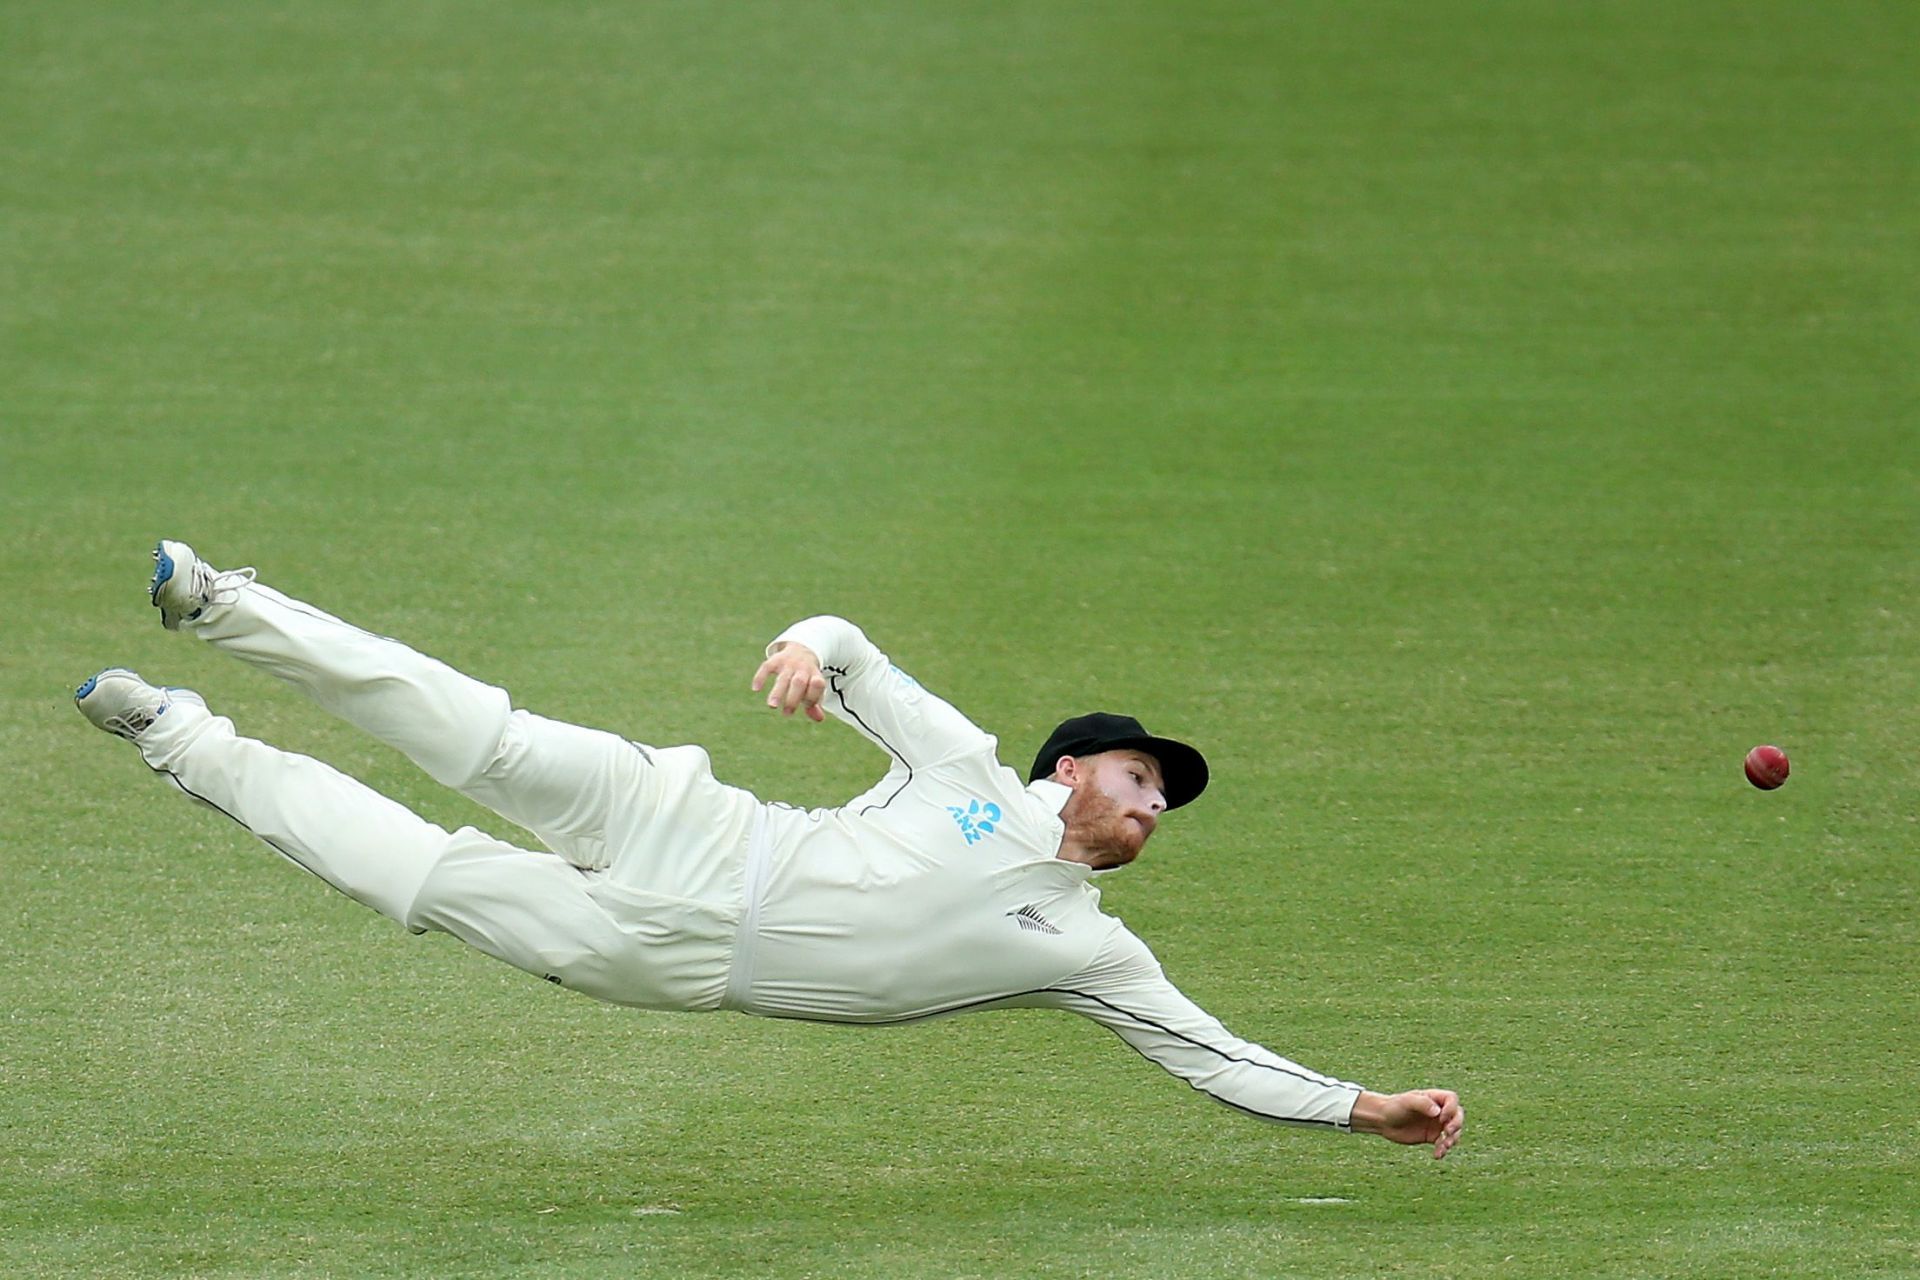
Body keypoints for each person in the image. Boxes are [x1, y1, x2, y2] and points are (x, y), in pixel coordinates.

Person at [76, 539, 1464, 1159]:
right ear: (1073, 768)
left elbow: (1216, 1054)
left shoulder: (1094, 953)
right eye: (1143, 773)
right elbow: (856, 650)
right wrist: (809, 643)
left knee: (422, 877)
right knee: (484, 737)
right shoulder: (968, 765)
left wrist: (1365, 1107)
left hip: (675, 955)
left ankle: (181, 742)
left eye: (1166, 799)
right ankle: (222, 606)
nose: (1154, 803)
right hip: (700, 822)